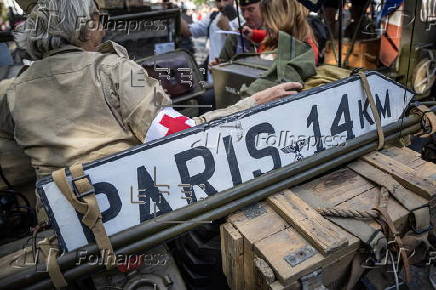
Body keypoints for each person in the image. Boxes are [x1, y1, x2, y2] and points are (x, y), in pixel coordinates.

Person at [0, 0, 302, 180]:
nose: (104, 29)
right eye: (99, 20)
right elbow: (181, 137)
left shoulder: (14, 89)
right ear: (83, 25)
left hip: (59, 226)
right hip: (129, 210)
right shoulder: (116, 70)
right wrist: (253, 103)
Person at [181, 0, 239, 83]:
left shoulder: (244, 17)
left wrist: (228, 29)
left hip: (235, 79)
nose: (222, 4)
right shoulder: (213, 17)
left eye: (225, 0)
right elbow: (189, 31)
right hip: (213, 79)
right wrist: (175, 12)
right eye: (218, 0)